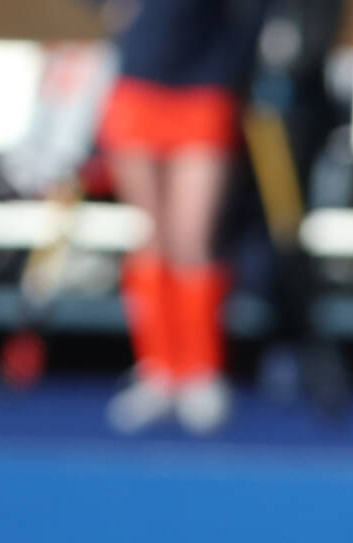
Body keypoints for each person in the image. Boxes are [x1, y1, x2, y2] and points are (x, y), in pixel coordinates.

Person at [99, 0, 264, 434]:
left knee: (191, 237)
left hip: (204, 85)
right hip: (138, 83)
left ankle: (200, 371)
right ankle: (157, 369)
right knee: (151, 236)